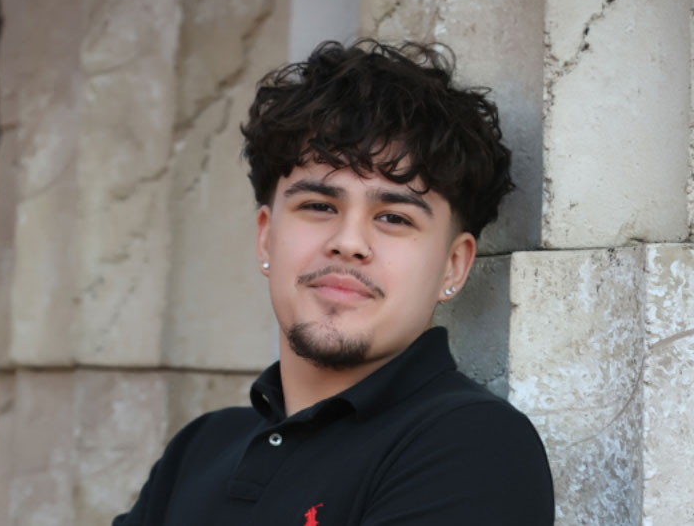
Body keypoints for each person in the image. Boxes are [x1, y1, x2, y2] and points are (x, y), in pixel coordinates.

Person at [113, 39, 554, 525]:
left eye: (394, 218)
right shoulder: (198, 450)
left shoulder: (472, 444)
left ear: (453, 266)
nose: (349, 242)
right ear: (266, 238)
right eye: (320, 206)